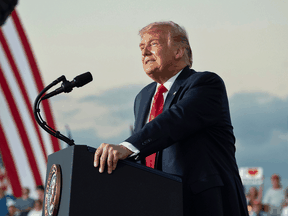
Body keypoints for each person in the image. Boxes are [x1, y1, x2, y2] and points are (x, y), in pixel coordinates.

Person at [93, 21, 249, 216]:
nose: (144, 53)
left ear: (178, 51)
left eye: (154, 44)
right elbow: (144, 154)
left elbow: (174, 120)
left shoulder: (205, 84)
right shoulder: (143, 97)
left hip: (205, 204)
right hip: (160, 204)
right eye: (142, 47)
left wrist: (126, 147)